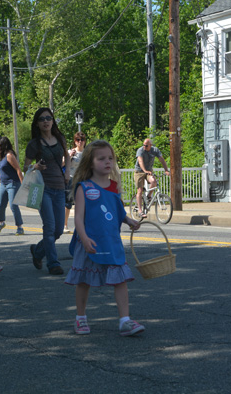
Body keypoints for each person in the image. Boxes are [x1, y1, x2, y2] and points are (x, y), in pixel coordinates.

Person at [65, 140, 144, 336]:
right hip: (89, 243)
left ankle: (125, 321)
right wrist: (83, 239)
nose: (107, 162)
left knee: (121, 281)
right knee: (83, 280)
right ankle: (80, 318)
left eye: (110, 158)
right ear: (90, 163)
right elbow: (79, 218)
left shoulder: (114, 187)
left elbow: (118, 212)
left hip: (111, 242)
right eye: (101, 158)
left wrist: (129, 220)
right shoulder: (84, 187)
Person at [24, 107, 70, 275]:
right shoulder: (34, 144)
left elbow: (67, 156)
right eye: (42, 119)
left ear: (52, 121)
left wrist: (68, 173)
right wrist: (35, 166)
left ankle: (37, 252)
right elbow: (25, 167)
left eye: (48, 118)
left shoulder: (60, 138)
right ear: (37, 123)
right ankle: (53, 263)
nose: (45, 121)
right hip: (42, 188)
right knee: (49, 227)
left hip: (59, 186)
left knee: (58, 230)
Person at [0, 137, 25, 236]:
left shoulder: (10, 155)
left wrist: (23, 185)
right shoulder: (3, 157)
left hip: (12, 183)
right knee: (1, 205)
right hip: (3, 184)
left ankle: (20, 227)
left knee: (13, 205)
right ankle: (1, 223)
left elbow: (18, 169)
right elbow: (3, 173)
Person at [134, 138, 170, 217]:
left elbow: (161, 159)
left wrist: (166, 170)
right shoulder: (140, 150)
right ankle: (140, 211)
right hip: (139, 171)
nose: (144, 147)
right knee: (140, 190)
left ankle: (149, 196)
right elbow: (140, 161)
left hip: (148, 171)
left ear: (150, 145)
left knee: (154, 181)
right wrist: (144, 170)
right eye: (143, 145)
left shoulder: (155, 150)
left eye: (146, 145)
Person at [64, 131, 86, 233]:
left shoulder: (87, 153)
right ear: (75, 141)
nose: (80, 142)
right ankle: (65, 225)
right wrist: (69, 156)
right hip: (71, 179)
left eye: (82, 140)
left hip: (83, 180)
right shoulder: (71, 152)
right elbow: (62, 164)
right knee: (68, 203)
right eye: (78, 140)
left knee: (81, 203)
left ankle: (80, 226)